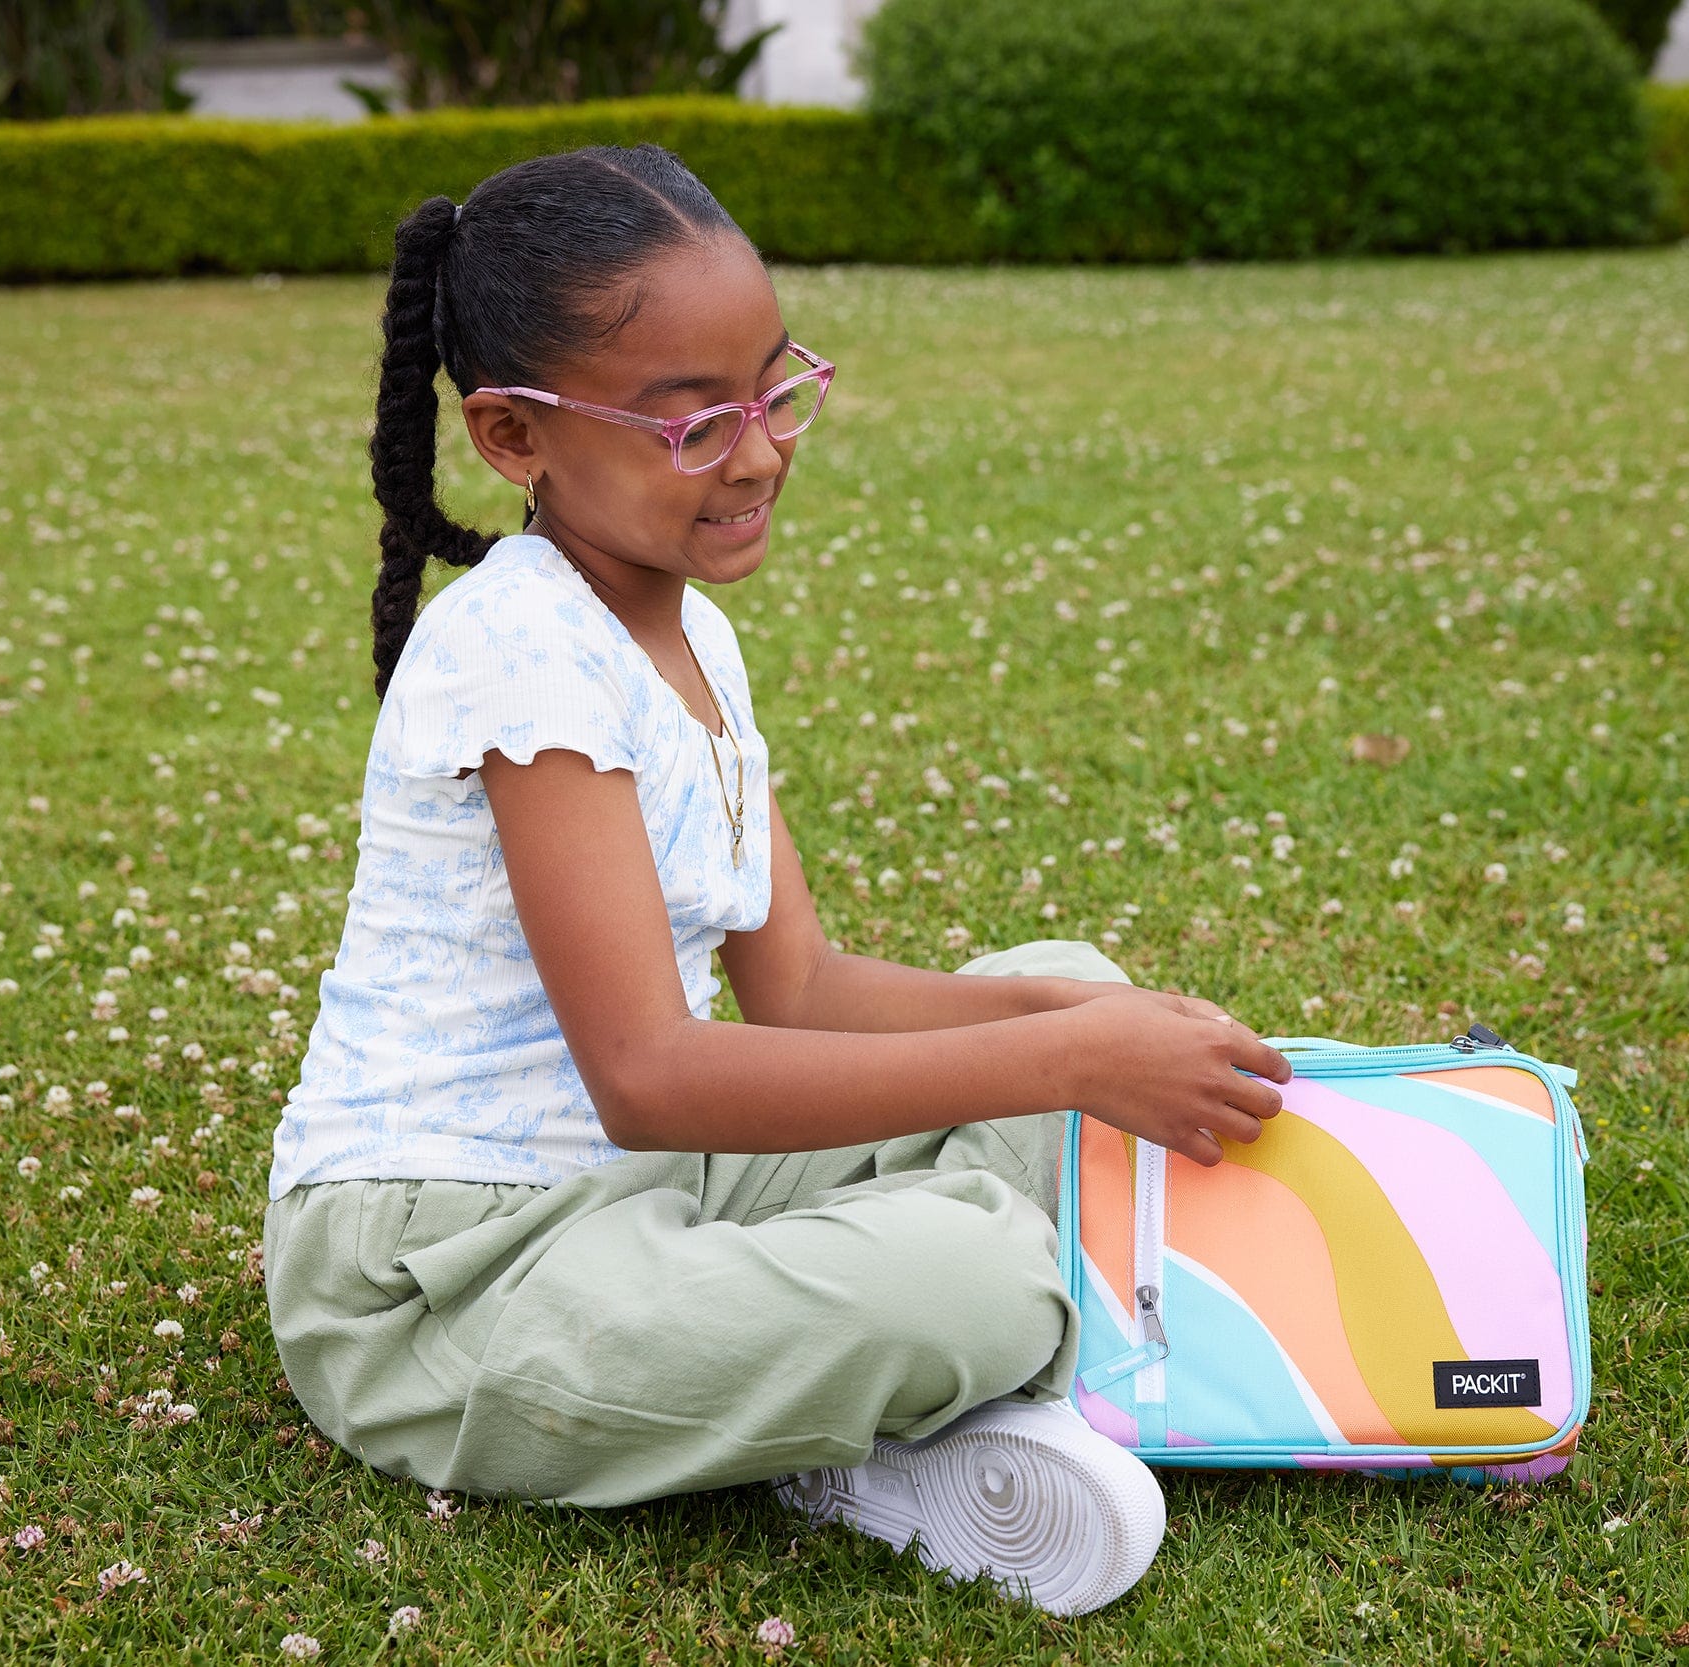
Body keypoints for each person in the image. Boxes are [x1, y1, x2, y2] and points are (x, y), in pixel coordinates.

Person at [261, 144, 1291, 1617]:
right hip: (448, 1272)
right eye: (691, 426)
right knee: (979, 1273)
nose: (756, 453)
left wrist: (1078, 1019)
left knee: (1074, 986)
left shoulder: (691, 639)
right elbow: (650, 1076)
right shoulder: (518, 651)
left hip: (648, 1192)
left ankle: (854, 1388)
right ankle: (855, 1434)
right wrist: (1063, 1064)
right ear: (510, 434)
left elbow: (801, 990)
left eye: (772, 392)